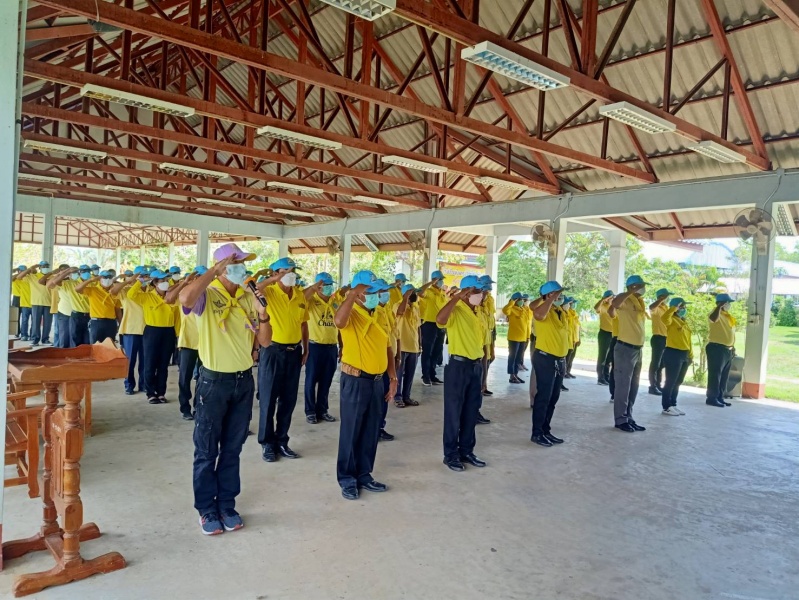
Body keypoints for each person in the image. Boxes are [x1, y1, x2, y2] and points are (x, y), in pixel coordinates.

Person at [179, 243, 270, 535]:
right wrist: (212, 272)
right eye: (237, 263)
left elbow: (265, 341)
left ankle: (227, 505)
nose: (244, 268)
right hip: (213, 383)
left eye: (244, 263)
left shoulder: (247, 296)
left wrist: (263, 313)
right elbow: (185, 297)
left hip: (243, 381)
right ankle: (207, 509)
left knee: (233, 448)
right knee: (207, 449)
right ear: (223, 268)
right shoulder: (207, 294)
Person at [334, 270, 397, 500]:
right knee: (351, 431)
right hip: (356, 381)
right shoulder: (351, 312)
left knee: (371, 431)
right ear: (359, 293)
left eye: (377, 291)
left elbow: (387, 346)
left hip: (377, 381)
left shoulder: (378, 312)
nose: (376, 296)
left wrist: (393, 378)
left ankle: (364, 474)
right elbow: (338, 322)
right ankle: (347, 478)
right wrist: (351, 296)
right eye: (371, 292)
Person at [255, 257, 308, 462]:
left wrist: (306, 348)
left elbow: (304, 324)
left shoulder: (299, 294)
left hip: (294, 352)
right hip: (273, 351)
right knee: (268, 399)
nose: (291, 274)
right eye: (285, 271)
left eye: (293, 270)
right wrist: (273, 279)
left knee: (288, 400)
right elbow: (253, 289)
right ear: (275, 273)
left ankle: (282, 441)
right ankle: (267, 443)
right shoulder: (268, 292)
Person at [436, 275, 488, 471]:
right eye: (476, 291)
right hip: (458, 366)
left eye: (481, 291)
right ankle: (450, 455)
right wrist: (456, 297)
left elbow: (481, 342)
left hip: (475, 366)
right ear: (466, 293)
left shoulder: (478, 311)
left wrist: (483, 370)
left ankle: (466, 451)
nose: (481, 295)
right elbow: (440, 320)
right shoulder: (456, 309)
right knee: (453, 413)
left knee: (470, 412)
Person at [126, 269, 179, 404]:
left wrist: (178, 334)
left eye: (166, 280)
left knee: (163, 365)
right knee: (150, 363)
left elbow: (177, 317)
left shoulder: (172, 297)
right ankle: (150, 393)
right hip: (152, 331)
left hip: (168, 331)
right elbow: (131, 294)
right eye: (162, 281)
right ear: (155, 283)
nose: (166, 283)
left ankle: (161, 393)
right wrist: (141, 281)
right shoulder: (147, 296)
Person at [530, 281, 570, 447]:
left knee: (553, 397)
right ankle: (537, 433)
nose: (560, 297)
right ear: (548, 295)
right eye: (557, 294)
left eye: (560, 294)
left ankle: (546, 430)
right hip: (545, 358)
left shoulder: (559, 310)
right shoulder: (542, 309)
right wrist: (549, 299)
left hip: (559, 359)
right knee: (543, 397)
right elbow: (537, 313)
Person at [608, 275, 649, 433]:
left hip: (637, 349)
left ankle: (629, 416)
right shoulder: (625, 298)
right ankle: (620, 419)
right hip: (625, 348)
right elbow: (615, 304)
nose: (644, 288)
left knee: (633, 386)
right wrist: (630, 292)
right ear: (633, 286)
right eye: (641, 285)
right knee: (623, 386)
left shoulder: (639, 301)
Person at [304, 272, 339, 424]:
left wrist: (342, 345)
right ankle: (310, 411)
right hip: (315, 347)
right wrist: (313, 288)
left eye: (330, 285)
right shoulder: (311, 300)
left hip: (331, 347)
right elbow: (302, 297)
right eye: (325, 285)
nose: (329, 288)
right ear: (318, 287)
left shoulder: (335, 302)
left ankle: (322, 410)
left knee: (326, 381)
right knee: (311, 381)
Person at [171, 267, 205, 420]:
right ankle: (185, 407)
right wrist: (184, 283)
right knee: (185, 377)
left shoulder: (210, 294)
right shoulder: (184, 294)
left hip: (206, 342)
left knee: (204, 378)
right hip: (188, 342)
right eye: (197, 277)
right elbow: (169, 298)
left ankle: (199, 407)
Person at [110, 266, 147, 394]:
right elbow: (113, 291)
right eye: (141, 276)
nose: (143, 279)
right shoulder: (125, 290)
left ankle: (144, 384)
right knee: (130, 360)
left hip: (147, 330)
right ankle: (129, 385)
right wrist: (129, 281)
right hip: (130, 329)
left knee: (145, 360)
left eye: (145, 276)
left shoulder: (150, 290)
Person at [375, 280, 398, 441]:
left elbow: (394, 334)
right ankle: (373, 429)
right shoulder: (373, 312)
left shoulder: (387, 309)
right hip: (378, 361)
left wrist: (397, 355)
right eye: (383, 291)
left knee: (385, 397)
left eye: (387, 291)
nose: (386, 294)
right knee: (377, 399)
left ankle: (380, 427)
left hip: (389, 358)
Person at [660, 298, 691, 416]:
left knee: (678, 381)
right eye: (682, 307)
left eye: (684, 307)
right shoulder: (671, 320)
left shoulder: (683, 321)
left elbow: (688, 340)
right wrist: (673, 308)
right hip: (673, 353)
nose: (684, 309)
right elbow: (664, 318)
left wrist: (690, 355)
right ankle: (666, 406)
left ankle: (673, 404)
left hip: (684, 354)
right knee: (671, 381)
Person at [706, 293, 736, 408]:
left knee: (724, 376)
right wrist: (719, 306)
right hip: (716, 348)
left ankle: (720, 397)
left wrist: (732, 346)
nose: (729, 305)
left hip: (727, 349)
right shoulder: (715, 313)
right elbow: (713, 319)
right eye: (727, 303)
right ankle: (712, 398)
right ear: (721, 303)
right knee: (715, 374)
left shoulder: (727, 316)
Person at [76, 270, 121, 344]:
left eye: (110, 277)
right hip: (97, 322)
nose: (107, 279)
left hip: (111, 323)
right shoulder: (93, 290)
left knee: (109, 346)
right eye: (105, 277)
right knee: (95, 346)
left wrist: (121, 324)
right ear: (100, 279)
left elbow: (118, 310)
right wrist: (90, 280)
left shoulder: (115, 292)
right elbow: (77, 289)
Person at [418, 270, 446, 386]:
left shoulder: (442, 293)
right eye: (439, 279)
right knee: (427, 351)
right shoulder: (428, 291)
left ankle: (432, 375)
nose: (441, 281)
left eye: (442, 279)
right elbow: (420, 292)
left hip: (441, 325)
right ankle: (425, 376)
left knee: (437, 351)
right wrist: (431, 283)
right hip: (429, 324)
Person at [395, 283, 421, 408]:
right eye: (412, 292)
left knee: (410, 375)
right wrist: (405, 298)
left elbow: (418, 327)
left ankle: (406, 396)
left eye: (415, 292)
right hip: (402, 346)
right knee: (399, 374)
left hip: (413, 346)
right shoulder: (397, 305)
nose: (414, 295)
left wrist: (420, 344)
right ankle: (398, 397)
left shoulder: (416, 307)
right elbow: (400, 312)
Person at [17, 261, 53, 346]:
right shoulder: (33, 276)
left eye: (47, 266)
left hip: (49, 302)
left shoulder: (52, 276)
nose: (46, 268)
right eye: (43, 266)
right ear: (40, 268)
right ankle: (35, 339)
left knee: (47, 323)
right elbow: (19, 277)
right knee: (35, 323)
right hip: (36, 303)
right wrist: (30, 268)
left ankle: (45, 339)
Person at [648, 288, 672, 395]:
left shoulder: (666, 308)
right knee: (655, 364)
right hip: (658, 338)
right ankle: (652, 386)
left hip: (666, 339)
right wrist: (660, 300)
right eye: (666, 296)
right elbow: (651, 307)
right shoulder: (656, 308)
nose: (668, 298)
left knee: (661, 364)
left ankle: (658, 385)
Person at [478, 275, 497, 397]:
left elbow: (491, 316)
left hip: (489, 332)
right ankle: (480, 386)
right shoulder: (477, 299)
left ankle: (483, 385)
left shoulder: (490, 299)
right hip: (480, 334)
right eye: (487, 285)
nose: (489, 287)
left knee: (489, 358)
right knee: (482, 361)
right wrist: (482, 297)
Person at [503, 292, 527, 384]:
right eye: (520, 299)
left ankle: (516, 374)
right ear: (515, 300)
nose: (522, 301)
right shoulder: (511, 309)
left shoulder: (523, 309)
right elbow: (505, 310)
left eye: (522, 300)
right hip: (514, 337)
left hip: (522, 337)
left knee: (518, 358)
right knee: (512, 357)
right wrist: (512, 302)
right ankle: (511, 375)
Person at [594, 290, 614, 385]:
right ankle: (600, 378)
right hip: (604, 333)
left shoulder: (614, 307)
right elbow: (596, 308)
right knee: (603, 356)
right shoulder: (602, 306)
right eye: (610, 298)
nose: (612, 299)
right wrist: (602, 300)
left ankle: (606, 376)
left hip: (613, 334)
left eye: (612, 297)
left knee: (609, 357)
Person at [563, 297, 581, 380]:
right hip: (569, 339)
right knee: (567, 356)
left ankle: (568, 371)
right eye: (572, 303)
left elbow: (578, 327)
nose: (574, 305)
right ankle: (564, 372)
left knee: (571, 357)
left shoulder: (575, 313)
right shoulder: (567, 313)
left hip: (575, 339)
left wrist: (579, 338)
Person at [518, 294, 532, 372]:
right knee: (520, 351)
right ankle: (518, 364)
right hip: (522, 334)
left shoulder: (529, 310)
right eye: (526, 300)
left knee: (523, 351)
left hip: (527, 334)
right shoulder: (521, 309)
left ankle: (521, 363)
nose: (527, 302)